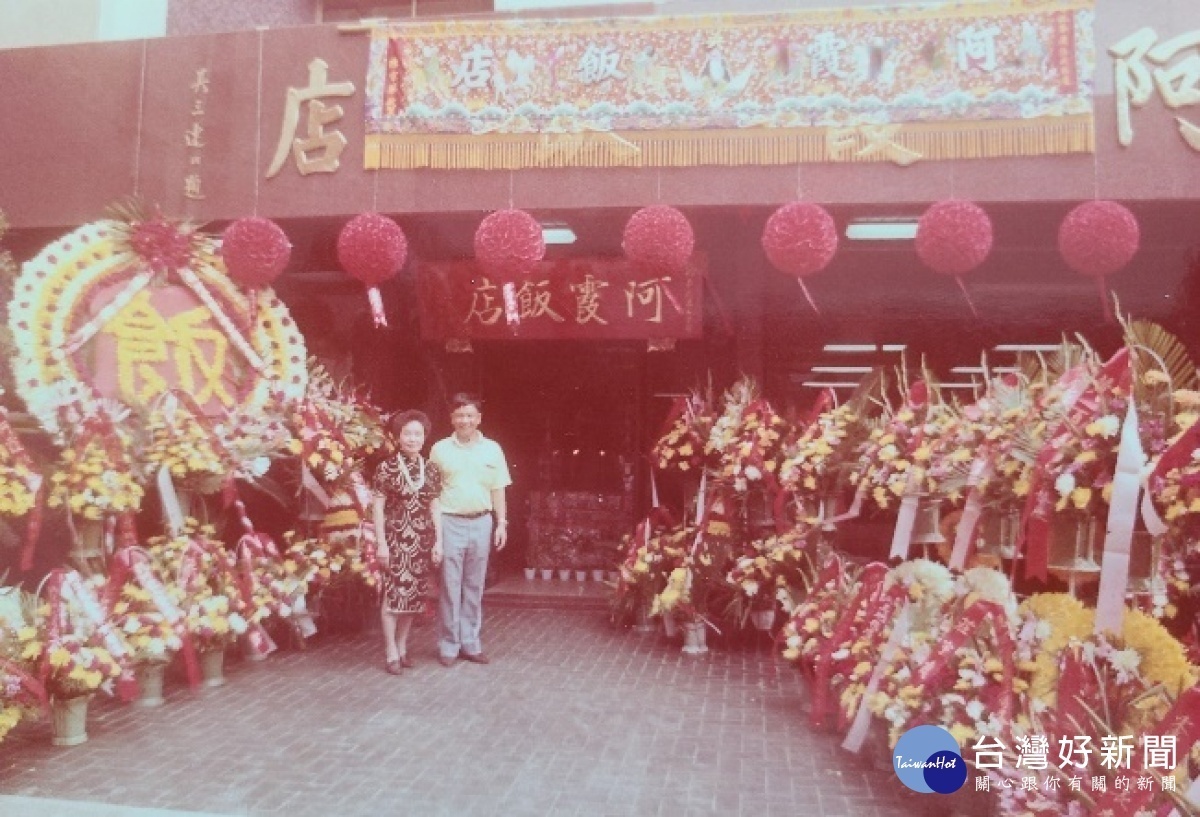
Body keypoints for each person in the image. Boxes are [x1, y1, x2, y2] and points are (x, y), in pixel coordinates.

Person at [429, 393, 511, 667]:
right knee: (450, 586)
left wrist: (501, 523)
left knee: (474, 585)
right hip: (450, 521)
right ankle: (448, 645)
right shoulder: (439, 449)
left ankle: (471, 643)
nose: (464, 420)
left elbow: (498, 488)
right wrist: (437, 532)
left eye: (469, 415)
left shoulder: (493, 449)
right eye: (459, 415)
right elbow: (432, 494)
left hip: (481, 522)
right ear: (452, 419)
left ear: (478, 419)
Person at [372, 410, 443, 676]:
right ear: (398, 437)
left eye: (418, 434)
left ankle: (402, 647)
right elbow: (377, 508)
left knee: (414, 597)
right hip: (395, 541)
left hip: (422, 541)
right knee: (393, 596)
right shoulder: (386, 468)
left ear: (425, 437)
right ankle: (390, 650)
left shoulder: (432, 470)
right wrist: (381, 544)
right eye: (407, 433)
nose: (413, 439)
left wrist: (439, 542)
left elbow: (436, 507)